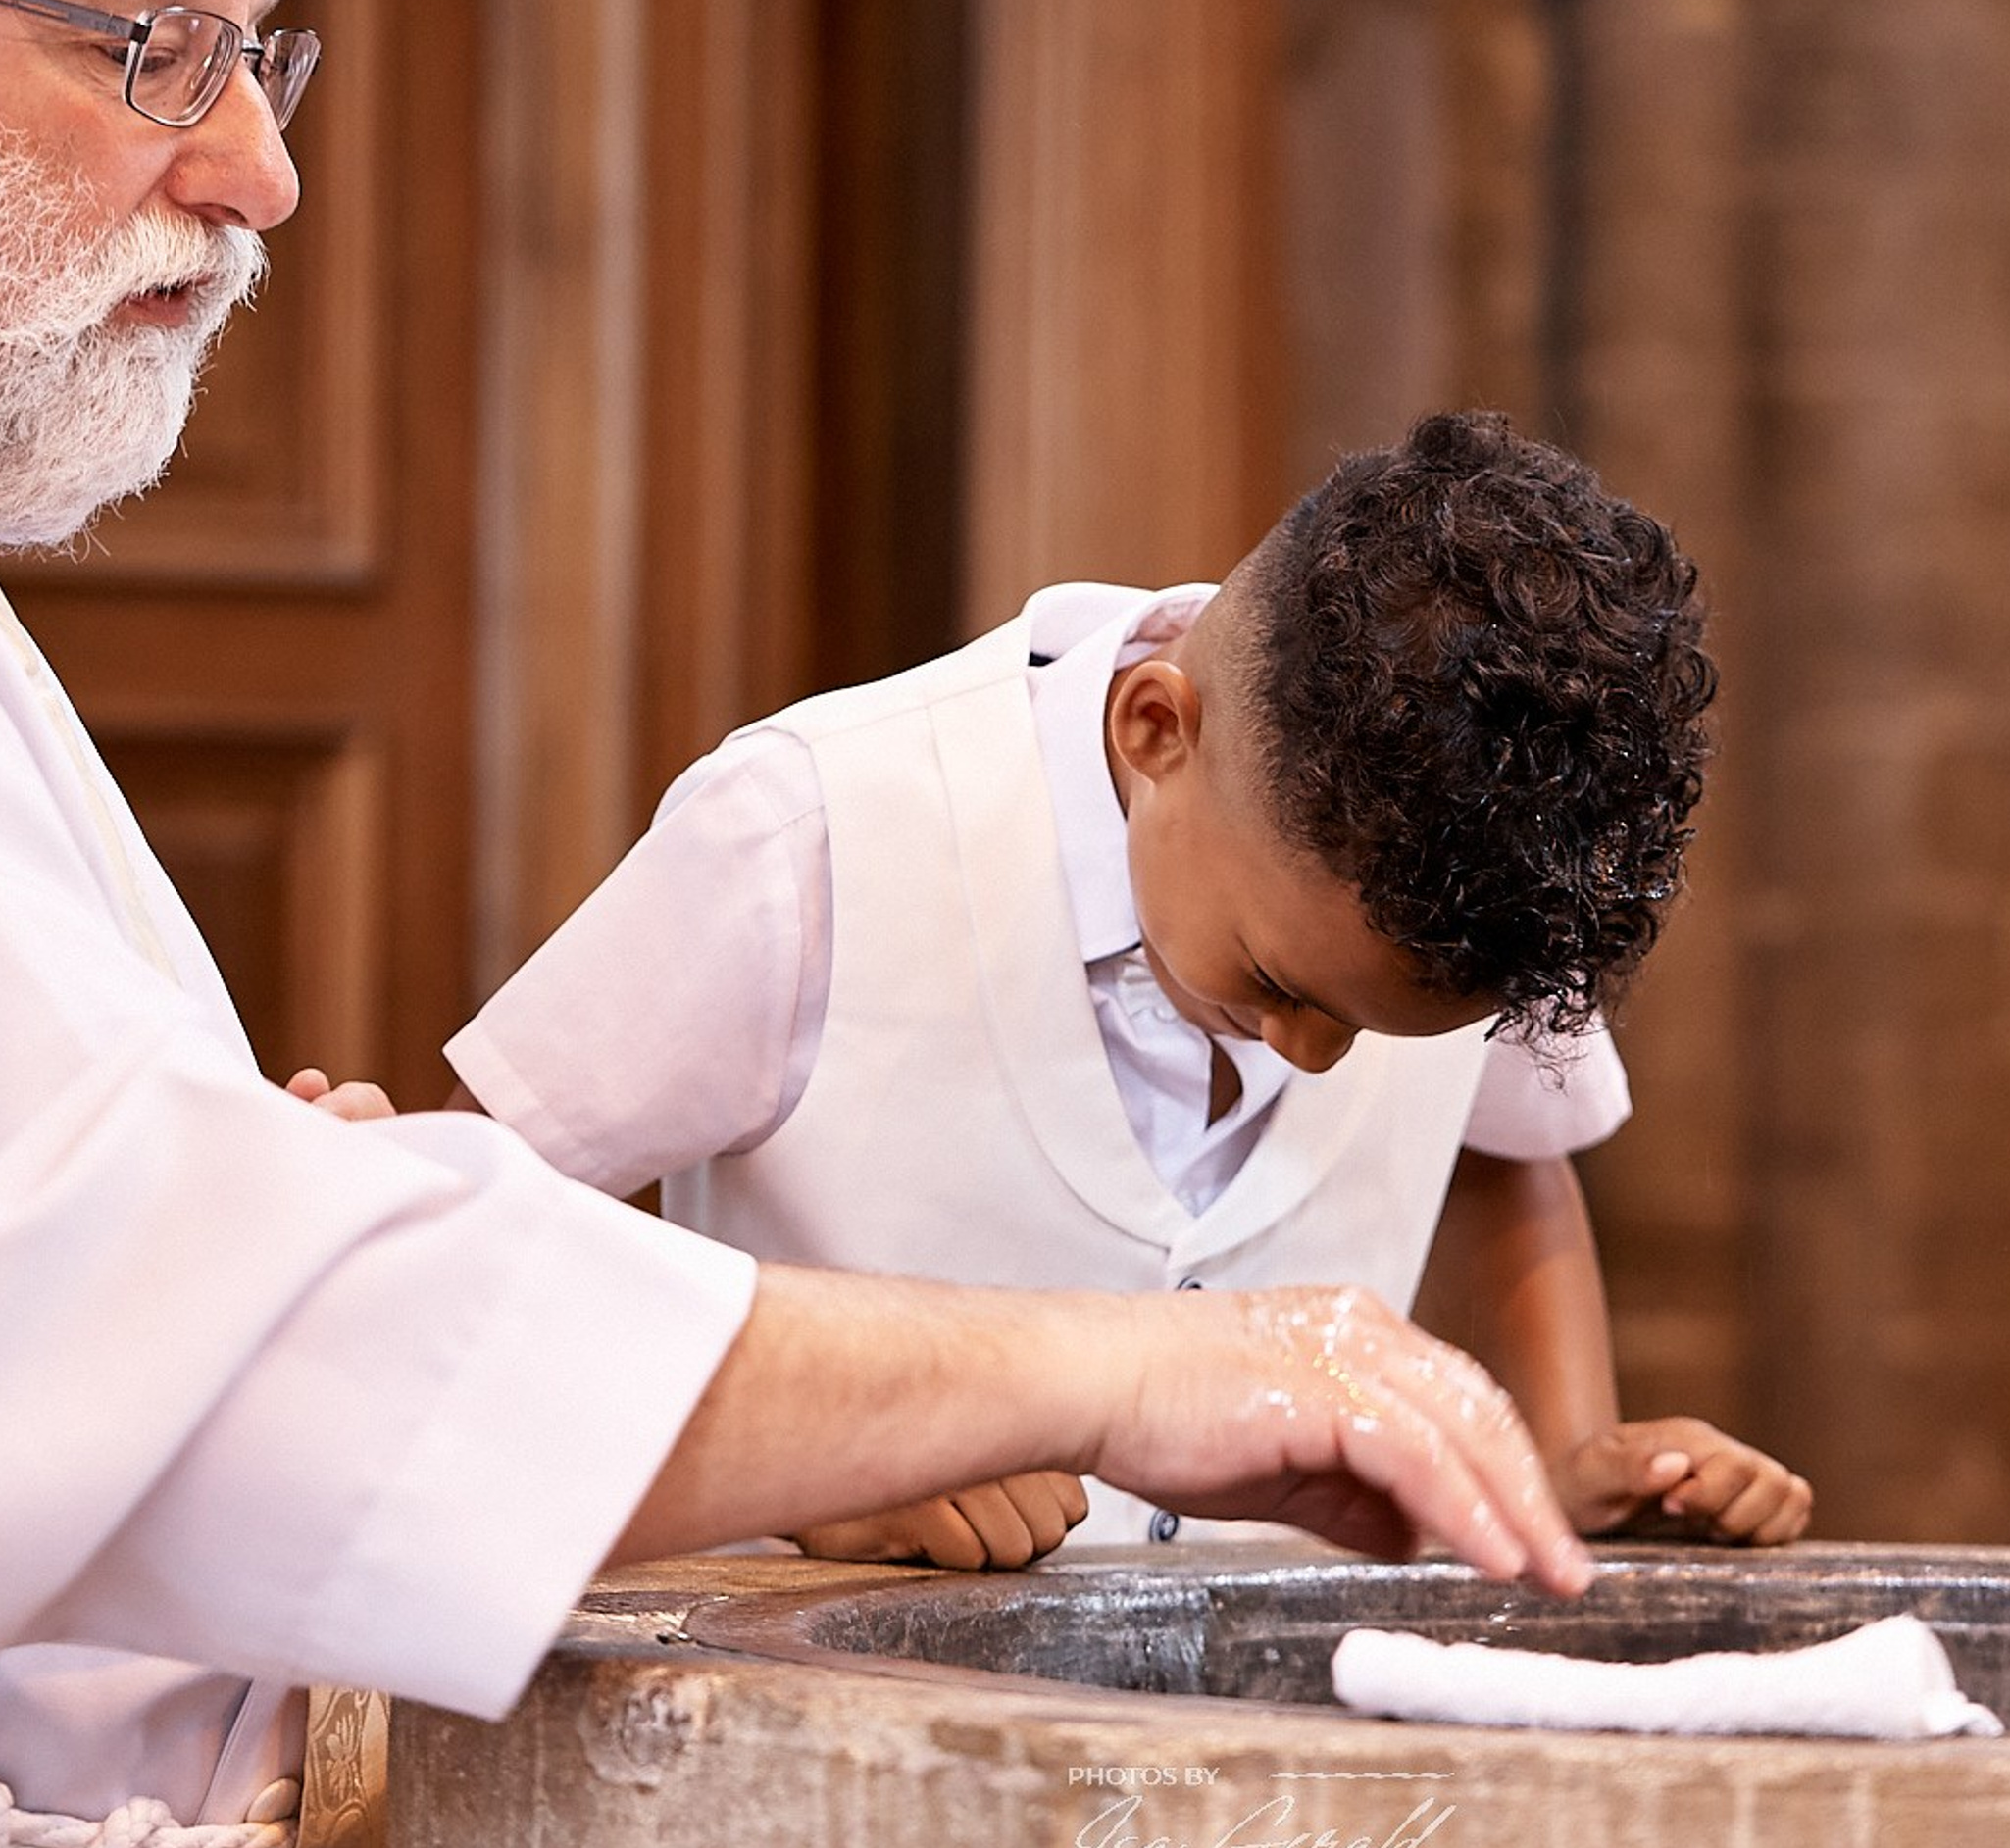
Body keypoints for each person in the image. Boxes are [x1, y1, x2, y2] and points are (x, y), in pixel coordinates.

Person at [0, 0, 1590, 1848]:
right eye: (150, 47)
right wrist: (1114, 1369)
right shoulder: (818, 827)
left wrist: (262, 1206)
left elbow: (154, 1275)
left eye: (264, 54)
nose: (261, 170)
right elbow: (252, 1357)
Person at [450, 413, 1814, 1568]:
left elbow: (1514, 1163)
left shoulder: (1476, 881)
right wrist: (806, 1473)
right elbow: (443, 1261)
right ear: (1155, 729)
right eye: (1283, 987)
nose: (1318, 1059)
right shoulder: (805, 836)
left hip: (1273, 1781)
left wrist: (1554, 1467)